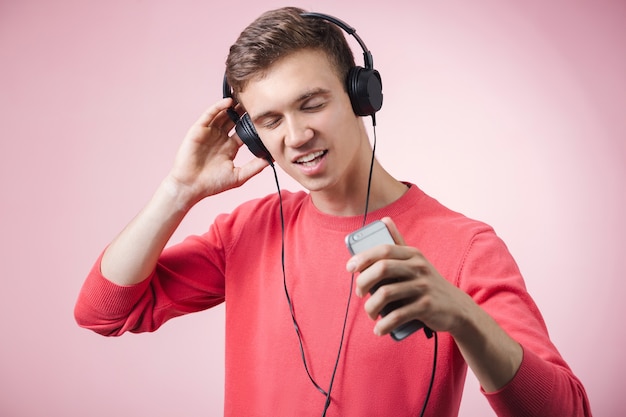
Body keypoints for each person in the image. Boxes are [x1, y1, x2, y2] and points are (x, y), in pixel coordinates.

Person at [74, 7, 592, 417]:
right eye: (270, 120)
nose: (296, 137)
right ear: (253, 136)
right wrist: (179, 189)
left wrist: (464, 318)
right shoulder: (246, 231)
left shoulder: (467, 247)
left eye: (313, 103)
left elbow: (567, 412)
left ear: (359, 96)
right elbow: (103, 311)